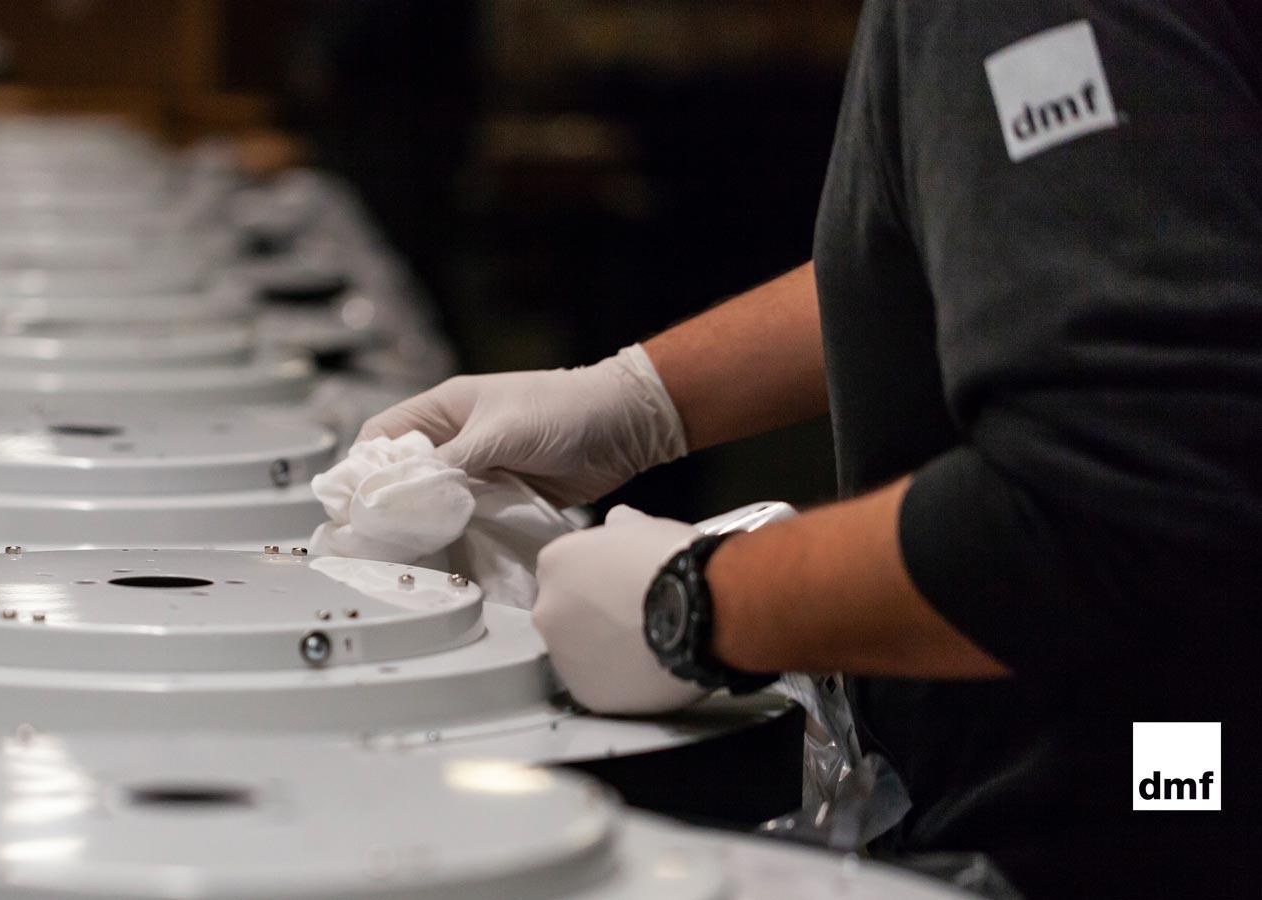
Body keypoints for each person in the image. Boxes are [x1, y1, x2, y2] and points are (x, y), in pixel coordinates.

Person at [361, 3, 1259, 897]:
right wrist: (635, 397)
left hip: (1140, 800)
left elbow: (1118, 499)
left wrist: (696, 604)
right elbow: (1039, 234)